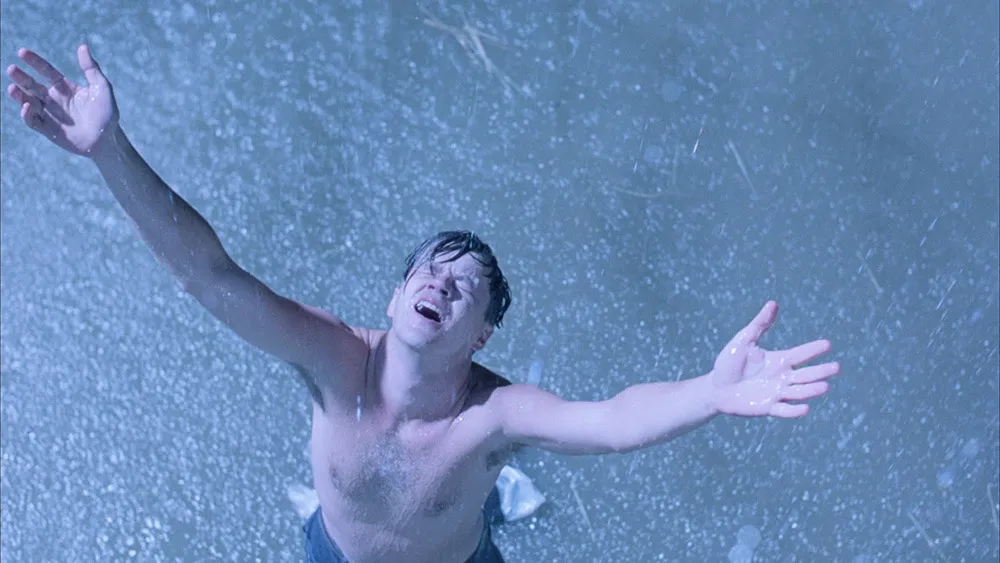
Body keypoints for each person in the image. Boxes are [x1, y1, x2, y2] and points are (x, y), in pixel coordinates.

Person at [6, 45, 841, 563]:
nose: (440, 283)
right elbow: (210, 276)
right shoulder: (335, 361)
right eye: (428, 274)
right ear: (397, 294)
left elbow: (613, 419)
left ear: (481, 334)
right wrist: (110, 150)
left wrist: (712, 390)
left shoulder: (490, 413)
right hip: (334, 554)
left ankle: (498, 498)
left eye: (463, 286)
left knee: (481, 501)